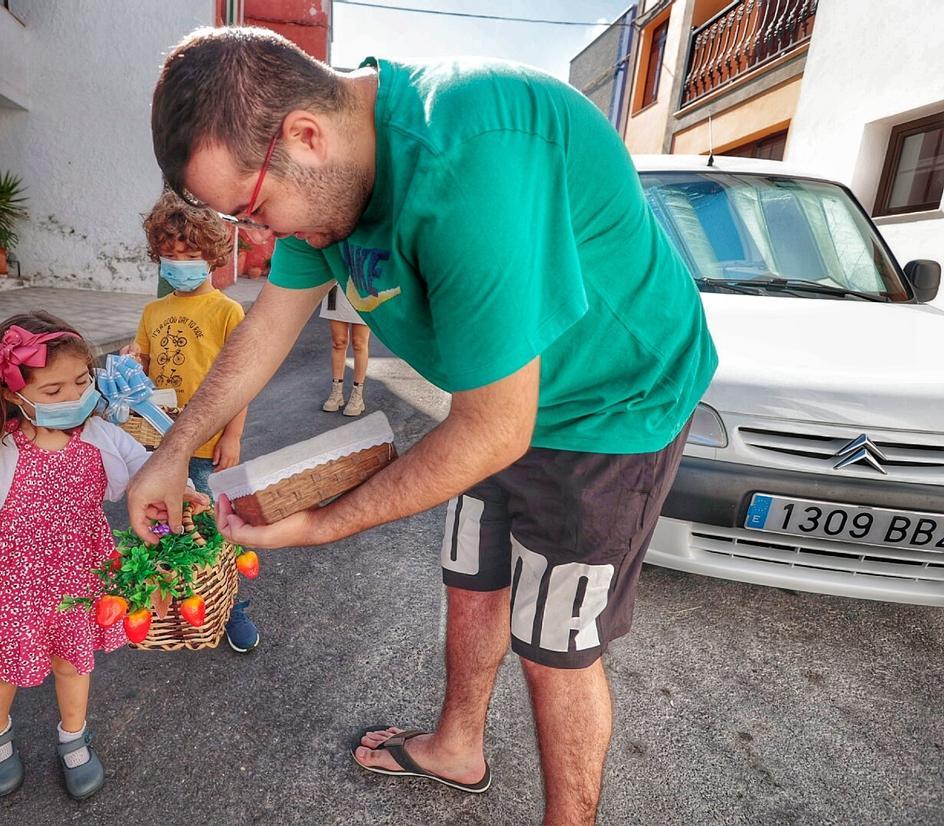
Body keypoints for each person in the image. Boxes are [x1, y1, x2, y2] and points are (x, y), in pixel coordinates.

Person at [134, 27, 718, 824]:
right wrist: (171, 454)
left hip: (609, 406)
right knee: (473, 580)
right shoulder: (327, 192)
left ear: (304, 135)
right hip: (498, 400)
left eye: (253, 209)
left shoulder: (471, 150)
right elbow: (265, 330)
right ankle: (458, 745)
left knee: (554, 642)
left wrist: (322, 526)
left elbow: (495, 431)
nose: (264, 237)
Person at [0, 311, 204, 800]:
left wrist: (179, 490)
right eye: (53, 391)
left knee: (74, 662)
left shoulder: (104, 438)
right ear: (11, 391)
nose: (74, 397)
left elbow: (151, 472)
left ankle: (74, 738)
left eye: (82, 381)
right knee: (4, 665)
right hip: (14, 584)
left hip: (82, 576)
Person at [121, 189, 259, 653]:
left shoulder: (226, 311)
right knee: (167, 527)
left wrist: (234, 435)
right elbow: (144, 369)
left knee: (215, 530)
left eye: (190, 254)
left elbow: (240, 379)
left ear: (213, 256)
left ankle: (232, 608)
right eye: (169, 255)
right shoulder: (153, 311)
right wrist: (131, 365)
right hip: (159, 444)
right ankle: (181, 608)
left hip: (208, 444)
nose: (179, 262)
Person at [319, 283, 370, 416]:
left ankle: (357, 396)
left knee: (359, 342)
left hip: (363, 286)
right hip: (336, 286)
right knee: (338, 342)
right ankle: (336, 393)